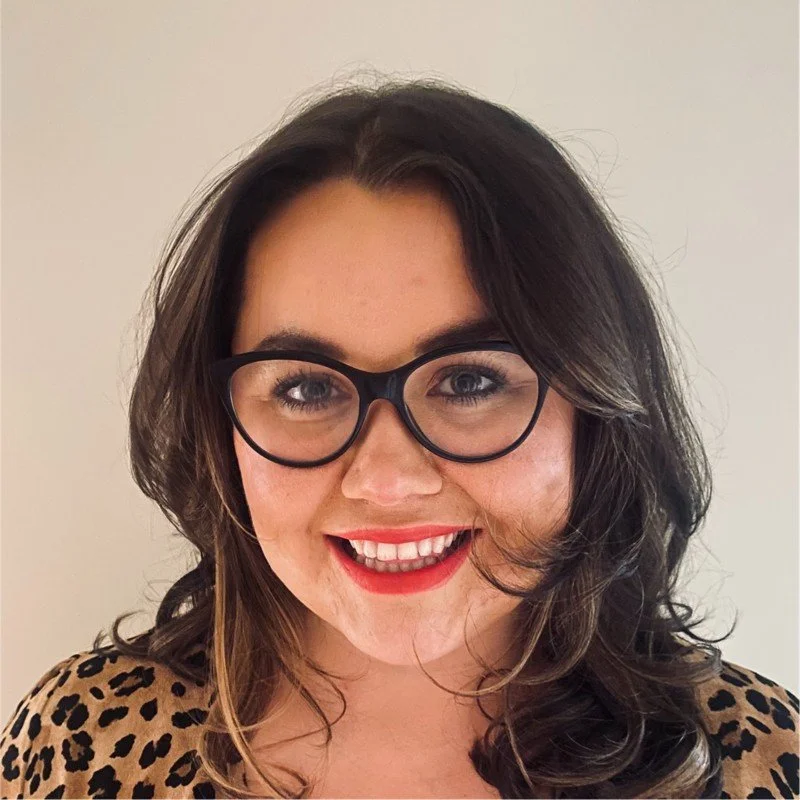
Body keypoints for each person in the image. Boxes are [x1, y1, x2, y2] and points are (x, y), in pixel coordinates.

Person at [1, 79, 797, 800]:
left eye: (470, 382)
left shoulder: (761, 759)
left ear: (595, 410)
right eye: (305, 388)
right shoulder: (81, 742)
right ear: (221, 429)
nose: (384, 480)